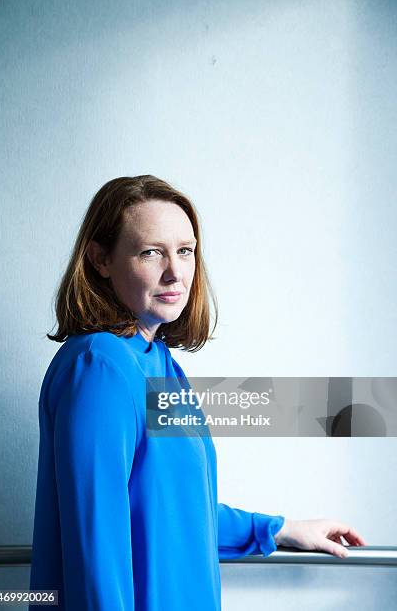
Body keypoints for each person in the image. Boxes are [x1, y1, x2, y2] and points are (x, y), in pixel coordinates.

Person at [29, 175, 366, 610]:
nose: (175, 272)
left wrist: (279, 529)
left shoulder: (160, 363)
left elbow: (177, 511)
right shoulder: (101, 365)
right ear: (100, 259)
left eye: (185, 251)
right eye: (151, 252)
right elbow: (96, 549)